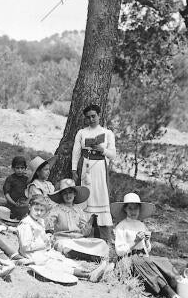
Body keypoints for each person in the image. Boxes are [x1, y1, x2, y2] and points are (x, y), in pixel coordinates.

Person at [112, 193, 188, 298]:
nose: (133, 212)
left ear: (140, 209)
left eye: (136, 208)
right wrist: (135, 242)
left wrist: (147, 241)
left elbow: (147, 249)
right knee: (143, 263)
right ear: (125, 209)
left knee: (163, 261)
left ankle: (185, 291)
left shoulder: (141, 225)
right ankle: (171, 295)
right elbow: (119, 252)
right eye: (130, 208)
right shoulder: (121, 226)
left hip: (142, 256)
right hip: (128, 259)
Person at [17, 195, 108, 282]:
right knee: (57, 265)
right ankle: (88, 275)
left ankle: (94, 269)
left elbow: (42, 237)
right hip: (34, 254)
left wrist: (47, 240)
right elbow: (26, 246)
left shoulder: (39, 221)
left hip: (46, 250)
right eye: (36, 210)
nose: (39, 213)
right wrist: (46, 241)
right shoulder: (26, 224)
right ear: (29, 207)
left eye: (41, 210)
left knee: (65, 261)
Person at [71, 104, 116, 242]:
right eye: (88, 117)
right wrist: (73, 169)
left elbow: (113, 155)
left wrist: (102, 150)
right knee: (86, 195)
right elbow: (76, 151)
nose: (91, 119)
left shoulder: (107, 133)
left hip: (100, 167)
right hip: (86, 166)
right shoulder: (82, 132)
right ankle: (85, 231)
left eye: (93, 116)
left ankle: (103, 234)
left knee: (100, 194)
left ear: (99, 115)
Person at [46, 179, 109, 261]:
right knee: (60, 244)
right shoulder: (56, 210)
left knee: (101, 243)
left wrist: (89, 224)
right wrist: (50, 234)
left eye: (70, 192)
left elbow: (85, 233)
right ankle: (83, 255)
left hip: (78, 240)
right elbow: (48, 226)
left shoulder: (79, 210)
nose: (68, 195)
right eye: (65, 193)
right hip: (63, 239)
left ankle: (84, 254)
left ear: (75, 194)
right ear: (61, 195)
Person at [2, 156, 30, 220]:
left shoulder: (26, 179)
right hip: (12, 205)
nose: (20, 170)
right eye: (17, 168)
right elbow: (6, 193)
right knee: (11, 216)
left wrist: (26, 203)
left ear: (25, 168)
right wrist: (14, 203)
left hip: (23, 205)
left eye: (22, 168)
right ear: (13, 168)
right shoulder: (10, 179)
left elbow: (30, 192)